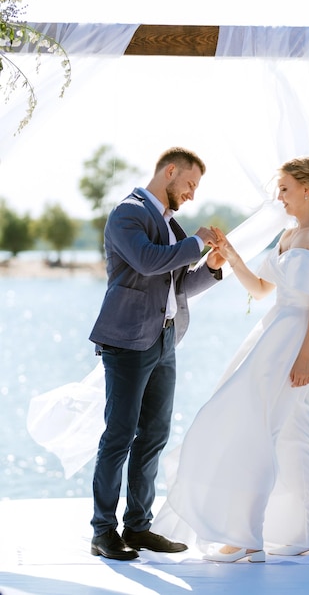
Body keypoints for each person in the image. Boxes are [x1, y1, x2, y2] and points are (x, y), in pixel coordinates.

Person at [153, 156, 309, 562]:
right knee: (280, 430)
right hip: (274, 337)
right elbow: (259, 289)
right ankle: (298, 533)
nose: (281, 197)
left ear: (307, 189)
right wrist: (231, 255)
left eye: (286, 189)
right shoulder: (290, 236)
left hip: (298, 342)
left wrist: (306, 357)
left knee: (284, 431)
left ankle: (251, 535)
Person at [89, 147, 224, 561]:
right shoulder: (126, 214)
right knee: (119, 436)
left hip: (165, 341)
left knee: (153, 436)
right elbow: (149, 263)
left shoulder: (173, 228)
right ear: (169, 172)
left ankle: (139, 527)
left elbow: (177, 286)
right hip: (127, 342)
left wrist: (213, 267)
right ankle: (103, 532)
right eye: (189, 183)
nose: (191, 194)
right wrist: (199, 241)